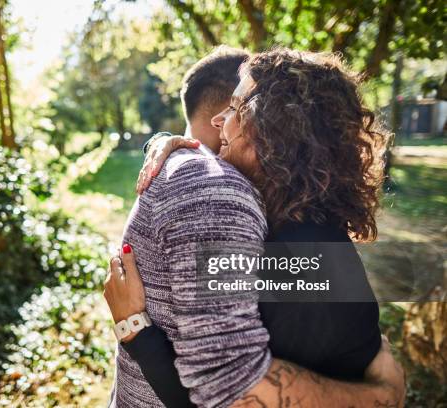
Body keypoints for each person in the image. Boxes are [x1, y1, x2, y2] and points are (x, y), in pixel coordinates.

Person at [104, 47, 404, 408]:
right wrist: (167, 146)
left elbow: (226, 392)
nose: (219, 121)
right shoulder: (300, 222)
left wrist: (136, 331)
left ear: (275, 123)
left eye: (234, 107)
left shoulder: (299, 252)